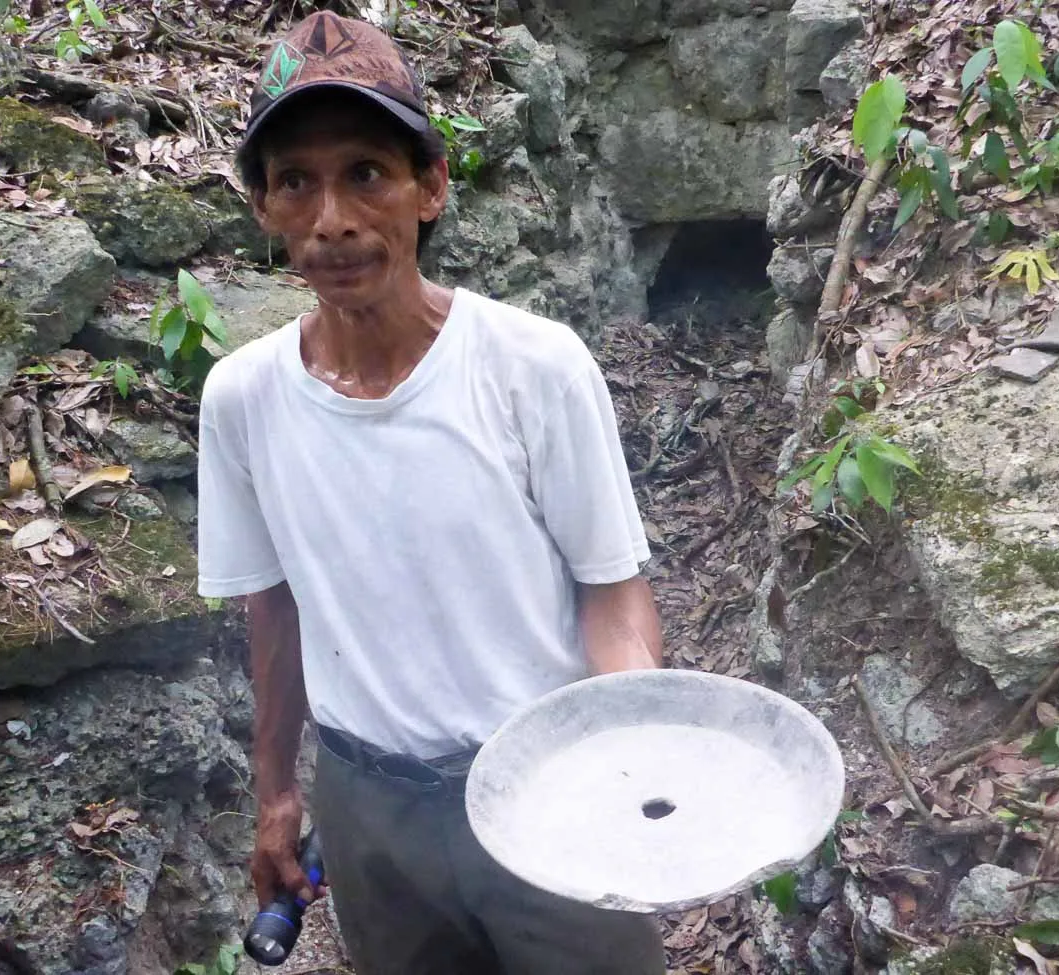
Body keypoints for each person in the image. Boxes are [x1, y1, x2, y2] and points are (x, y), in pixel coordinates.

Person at [195, 10, 666, 974]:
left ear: (431, 188)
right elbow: (274, 600)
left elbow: (612, 591)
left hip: (548, 781)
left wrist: (630, 760)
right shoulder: (243, 398)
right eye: (296, 182)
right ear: (264, 209)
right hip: (370, 810)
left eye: (367, 172)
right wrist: (278, 790)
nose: (334, 219)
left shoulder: (533, 367)